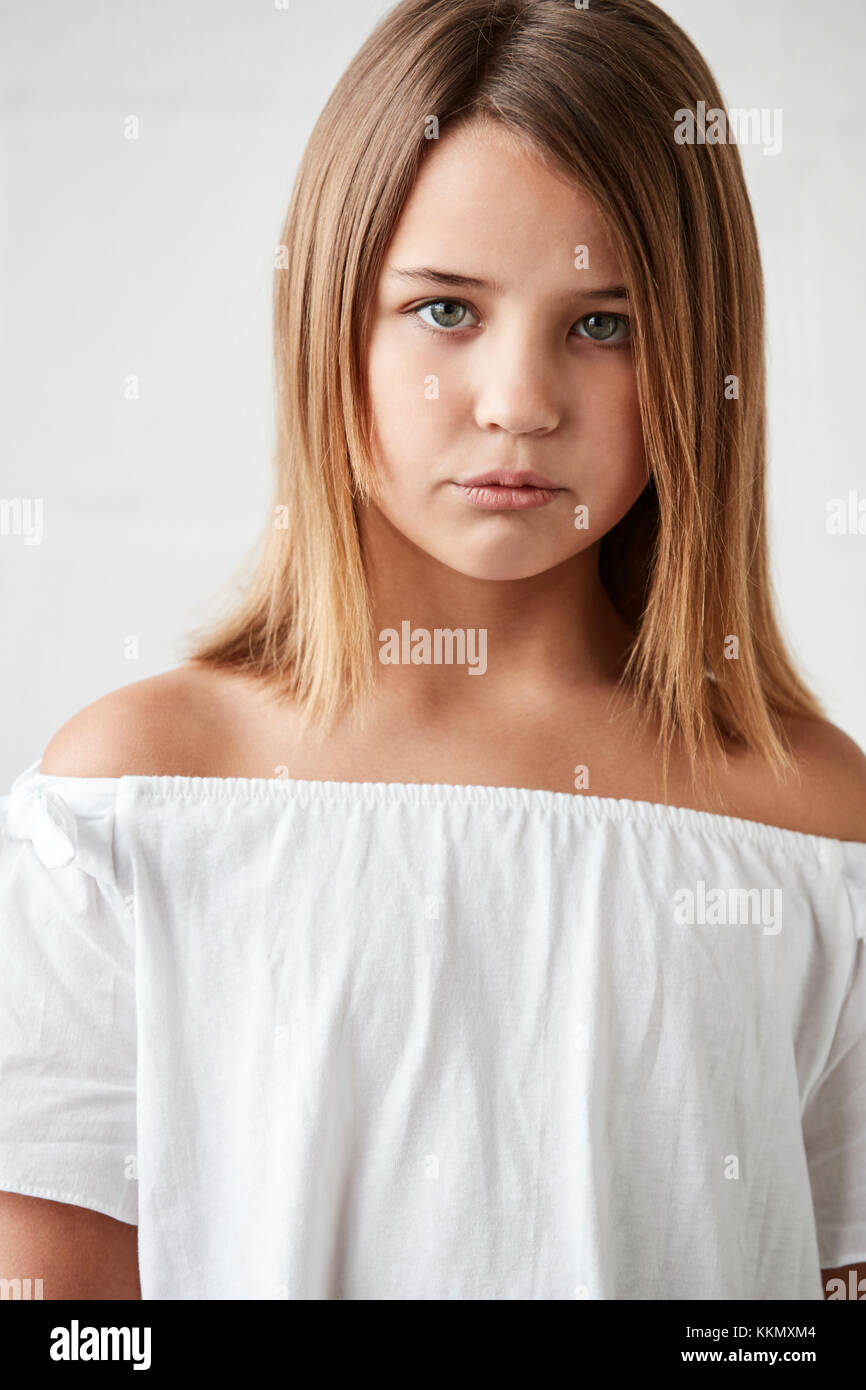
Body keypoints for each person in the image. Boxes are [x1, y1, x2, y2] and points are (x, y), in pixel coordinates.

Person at [1, 0, 864, 1300]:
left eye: (603, 323)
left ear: (698, 354)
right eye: (446, 311)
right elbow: (61, 1297)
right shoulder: (135, 798)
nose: (518, 400)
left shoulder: (812, 825)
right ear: (331, 322)